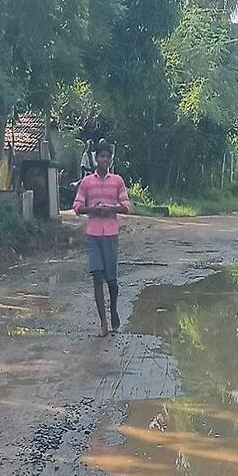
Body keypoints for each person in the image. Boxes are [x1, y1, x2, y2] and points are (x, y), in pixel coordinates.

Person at [73, 139, 132, 337]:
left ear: (111, 160)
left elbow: (127, 207)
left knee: (112, 280)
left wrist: (111, 209)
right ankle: (103, 323)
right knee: (97, 277)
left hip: (111, 233)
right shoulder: (87, 182)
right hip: (93, 234)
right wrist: (93, 209)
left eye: (108, 157)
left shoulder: (117, 181)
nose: (105, 160)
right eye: (102, 156)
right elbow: (77, 207)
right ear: (96, 159)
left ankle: (113, 309)